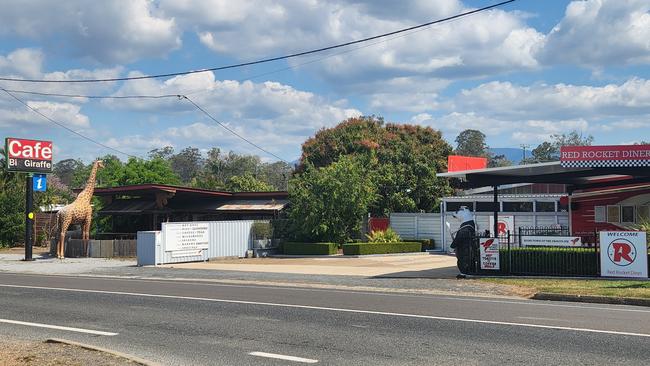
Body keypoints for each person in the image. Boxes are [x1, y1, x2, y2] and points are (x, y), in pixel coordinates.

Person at [449, 206, 476, 277]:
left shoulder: (466, 227)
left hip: (465, 251)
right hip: (465, 249)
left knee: (464, 260)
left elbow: (460, 237)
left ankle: (465, 273)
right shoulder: (468, 225)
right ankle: (466, 272)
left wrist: (452, 246)